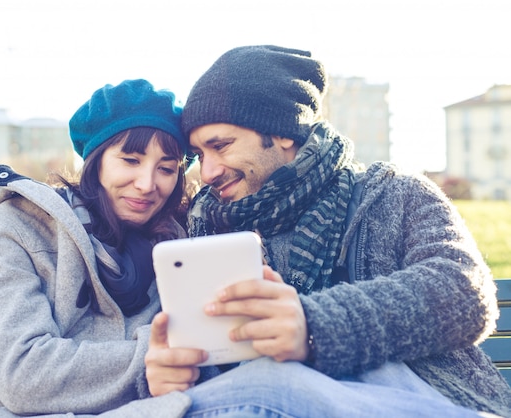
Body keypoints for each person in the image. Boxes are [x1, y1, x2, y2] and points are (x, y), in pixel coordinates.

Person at [145, 45, 511, 417]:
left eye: (220, 146)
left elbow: (464, 292)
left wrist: (313, 326)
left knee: (273, 381)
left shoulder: (393, 194)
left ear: (283, 133)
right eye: (200, 156)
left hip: (420, 399)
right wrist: (172, 377)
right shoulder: (204, 228)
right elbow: (218, 362)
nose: (207, 172)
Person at [0, 79, 202, 417]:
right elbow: (22, 374)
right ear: (95, 161)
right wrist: (150, 360)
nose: (147, 184)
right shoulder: (13, 227)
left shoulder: (180, 247)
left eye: (166, 169)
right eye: (130, 160)